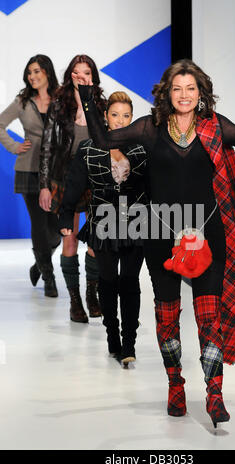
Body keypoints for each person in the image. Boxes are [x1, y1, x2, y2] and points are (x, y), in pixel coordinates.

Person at [76, 60, 235, 427]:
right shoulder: (150, 127)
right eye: (178, 88)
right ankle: (176, 384)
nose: (185, 95)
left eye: (191, 88)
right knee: (167, 317)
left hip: (207, 234)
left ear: (201, 92)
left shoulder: (215, 127)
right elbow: (103, 139)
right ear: (166, 93)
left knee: (210, 319)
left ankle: (215, 394)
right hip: (160, 235)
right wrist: (86, 92)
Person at [58, 91, 149, 365]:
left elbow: (156, 184)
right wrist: (65, 216)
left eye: (126, 116)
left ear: (132, 118)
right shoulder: (88, 148)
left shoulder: (143, 147)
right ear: (105, 117)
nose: (121, 121)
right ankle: (113, 336)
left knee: (130, 283)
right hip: (102, 224)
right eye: (115, 115)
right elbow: (74, 185)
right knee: (108, 282)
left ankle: (129, 343)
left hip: (136, 223)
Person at [39, 54, 107, 323]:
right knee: (69, 237)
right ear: (70, 77)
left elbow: (110, 140)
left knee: (95, 240)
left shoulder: (101, 104)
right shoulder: (59, 106)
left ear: (93, 76)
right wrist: (44, 185)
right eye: (76, 73)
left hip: (96, 180)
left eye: (86, 73)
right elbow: (47, 146)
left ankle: (92, 294)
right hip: (65, 179)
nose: (81, 77)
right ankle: (75, 302)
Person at [0, 54, 60, 297]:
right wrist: (14, 147)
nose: (32, 76)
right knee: (38, 222)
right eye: (29, 73)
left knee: (56, 228)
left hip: (56, 170)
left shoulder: (61, 99)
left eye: (37, 71)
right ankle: (49, 276)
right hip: (28, 168)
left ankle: (39, 264)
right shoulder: (22, 101)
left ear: (47, 72)